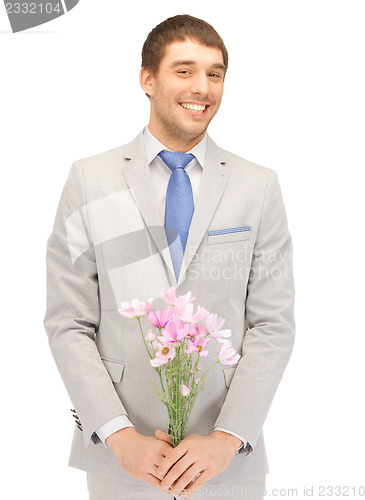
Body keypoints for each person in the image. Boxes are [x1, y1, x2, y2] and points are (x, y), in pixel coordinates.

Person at [44, 14, 295, 500]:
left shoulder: (258, 187)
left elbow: (274, 324)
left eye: (215, 73)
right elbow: (68, 321)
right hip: (122, 460)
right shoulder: (90, 180)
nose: (203, 87)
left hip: (225, 463)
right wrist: (118, 435)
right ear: (147, 79)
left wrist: (227, 438)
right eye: (184, 70)